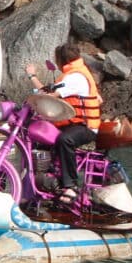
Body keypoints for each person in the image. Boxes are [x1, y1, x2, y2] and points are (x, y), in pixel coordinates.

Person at [25, 42, 102, 202]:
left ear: (61, 60)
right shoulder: (71, 75)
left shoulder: (76, 76)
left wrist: (32, 76)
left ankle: (70, 187)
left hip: (85, 126)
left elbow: (51, 96)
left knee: (64, 140)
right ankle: (39, 184)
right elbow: (48, 91)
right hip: (71, 124)